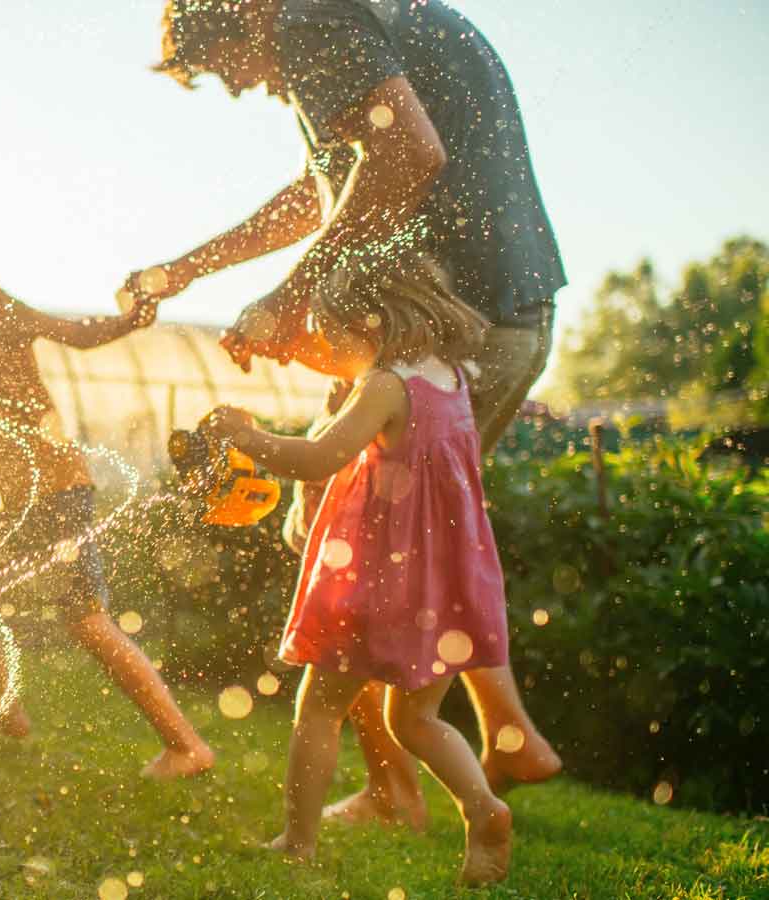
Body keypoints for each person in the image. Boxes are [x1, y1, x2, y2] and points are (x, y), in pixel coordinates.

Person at [126, 0, 562, 824]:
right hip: (496, 317)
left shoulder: (308, 17)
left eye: (225, 64)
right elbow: (326, 192)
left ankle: (402, 783)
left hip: (445, 321)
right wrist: (191, 268)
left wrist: (286, 299)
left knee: (340, 549)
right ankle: (502, 734)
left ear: (243, 16)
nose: (239, 87)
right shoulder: (360, 21)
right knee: (421, 539)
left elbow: (407, 154)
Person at [0, 206, 215, 780]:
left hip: (56, 492)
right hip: (16, 502)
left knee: (87, 623)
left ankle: (186, 746)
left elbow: (76, 336)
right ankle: (6, 709)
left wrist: (131, 320)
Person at [199, 253, 513, 884]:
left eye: (329, 331)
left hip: (381, 583)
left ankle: (297, 841)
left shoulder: (386, 386)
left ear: (367, 325)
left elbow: (319, 458)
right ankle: (484, 809)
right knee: (416, 718)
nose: (325, 345)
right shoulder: (450, 378)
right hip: (445, 587)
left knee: (318, 707)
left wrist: (246, 435)